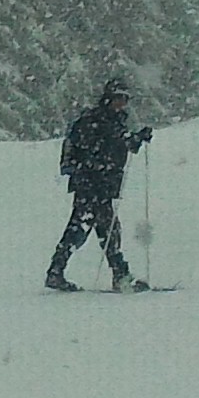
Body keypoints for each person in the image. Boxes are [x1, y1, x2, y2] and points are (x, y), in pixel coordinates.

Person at [46, 75, 155, 292]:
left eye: (125, 99)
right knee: (94, 228)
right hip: (93, 183)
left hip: (95, 183)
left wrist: (133, 139)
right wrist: (135, 139)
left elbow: (118, 142)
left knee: (94, 227)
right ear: (109, 98)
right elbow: (116, 141)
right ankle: (119, 275)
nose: (122, 103)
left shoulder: (104, 119)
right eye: (118, 98)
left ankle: (59, 272)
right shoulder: (101, 120)